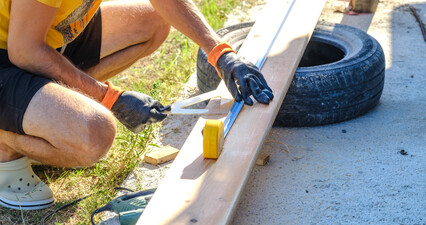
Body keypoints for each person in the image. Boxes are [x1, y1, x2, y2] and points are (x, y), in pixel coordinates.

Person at [0, 0, 274, 210]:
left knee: (153, 22)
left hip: (41, 37)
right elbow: (25, 50)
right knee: (94, 136)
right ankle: (7, 143)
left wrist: (220, 53)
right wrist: (109, 98)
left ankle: (48, 113)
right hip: (14, 53)